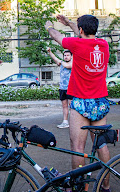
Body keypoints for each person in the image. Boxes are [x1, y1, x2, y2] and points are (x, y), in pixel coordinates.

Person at [45, 14, 111, 191]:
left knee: (78, 146)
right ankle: (106, 186)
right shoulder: (104, 45)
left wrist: (49, 26)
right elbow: (83, 35)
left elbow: (56, 36)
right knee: (100, 144)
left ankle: (79, 187)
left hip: (81, 102)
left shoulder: (76, 44)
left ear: (81, 30)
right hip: (100, 101)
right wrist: (68, 23)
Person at [47, 47, 73, 128]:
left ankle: (74, 122)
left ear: (71, 56)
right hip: (62, 88)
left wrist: (60, 61)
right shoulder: (62, 63)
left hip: (71, 88)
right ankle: (65, 122)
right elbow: (55, 58)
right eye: (65, 55)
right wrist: (50, 52)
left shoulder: (73, 63)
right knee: (64, 106)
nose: (66, 57)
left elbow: (68, 66)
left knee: (72, 106)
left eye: (68, 55)